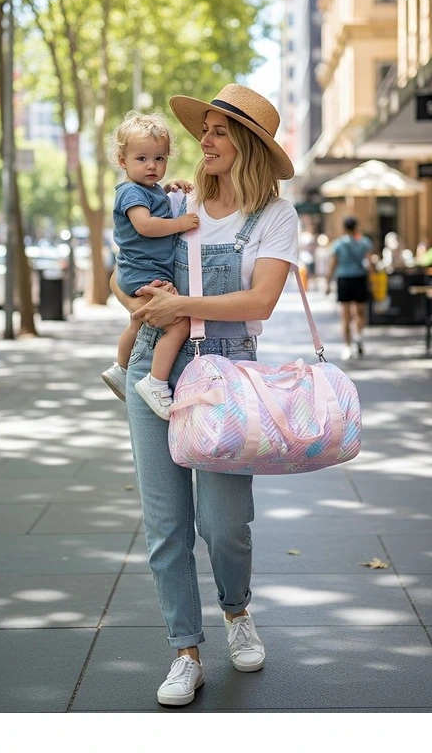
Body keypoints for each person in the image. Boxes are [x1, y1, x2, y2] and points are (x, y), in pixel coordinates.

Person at [109, 83, 299, 707]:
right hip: (155, 371)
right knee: (167, 525)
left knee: (224, 524)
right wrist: (141, 307)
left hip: (225, 376)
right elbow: (120, 273)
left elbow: (259, 301)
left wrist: (180, 304)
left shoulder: (273, 217)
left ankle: (236, 610)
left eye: (219, 131)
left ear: (246, 144)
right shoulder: (169, 202)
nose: (205, 141)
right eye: (205, 130)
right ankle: (184, 650)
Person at [101, 111, 199, 418]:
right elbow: (145, 225)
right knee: (179, 323)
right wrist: (180, 223)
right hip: (141, 271)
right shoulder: (130, 192)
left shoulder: (149, 189)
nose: (152, 166)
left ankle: (120, 367)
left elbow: (155, 204)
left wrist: (169, 188)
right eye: (142, 159)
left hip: (142, 270)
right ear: (122, 160)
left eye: (159, 159)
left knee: (139, 318)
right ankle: (155, 382)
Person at [326, 215, 372, 360]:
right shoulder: (364, 242)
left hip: (344, 279)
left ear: (344, 228)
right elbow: (370, 263)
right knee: (360, 312)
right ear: (356, 227)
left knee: (345, 315)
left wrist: (328, 282)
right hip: (360, 278)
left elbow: (333, 264)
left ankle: (347, 346)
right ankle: (358, 335)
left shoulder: (338, 244)